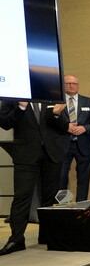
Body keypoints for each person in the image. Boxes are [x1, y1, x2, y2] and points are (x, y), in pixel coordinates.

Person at [0, 98, 69, 255]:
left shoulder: (50, 95)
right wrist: (21, 108)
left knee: (49, 198)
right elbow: (4, 122)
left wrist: (57, 115)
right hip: (25, 154)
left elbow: (65, 126)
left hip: (52, 154)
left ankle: (47, 236)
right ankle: (16, 239)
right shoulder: (13, 97)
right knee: (21, 196)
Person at [58, 74, 90, 202]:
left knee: (83, 178)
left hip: (85, 145)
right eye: (68, 83)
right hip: (63, 145)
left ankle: (81, 205)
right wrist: (65, 127)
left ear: (78, 85)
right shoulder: (58, 102)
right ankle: (62, 205)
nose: (72, 86)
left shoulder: (89, 101)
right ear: (63, 85)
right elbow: (50, 122)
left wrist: (85, 128)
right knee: (61, 177)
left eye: (75, 83)